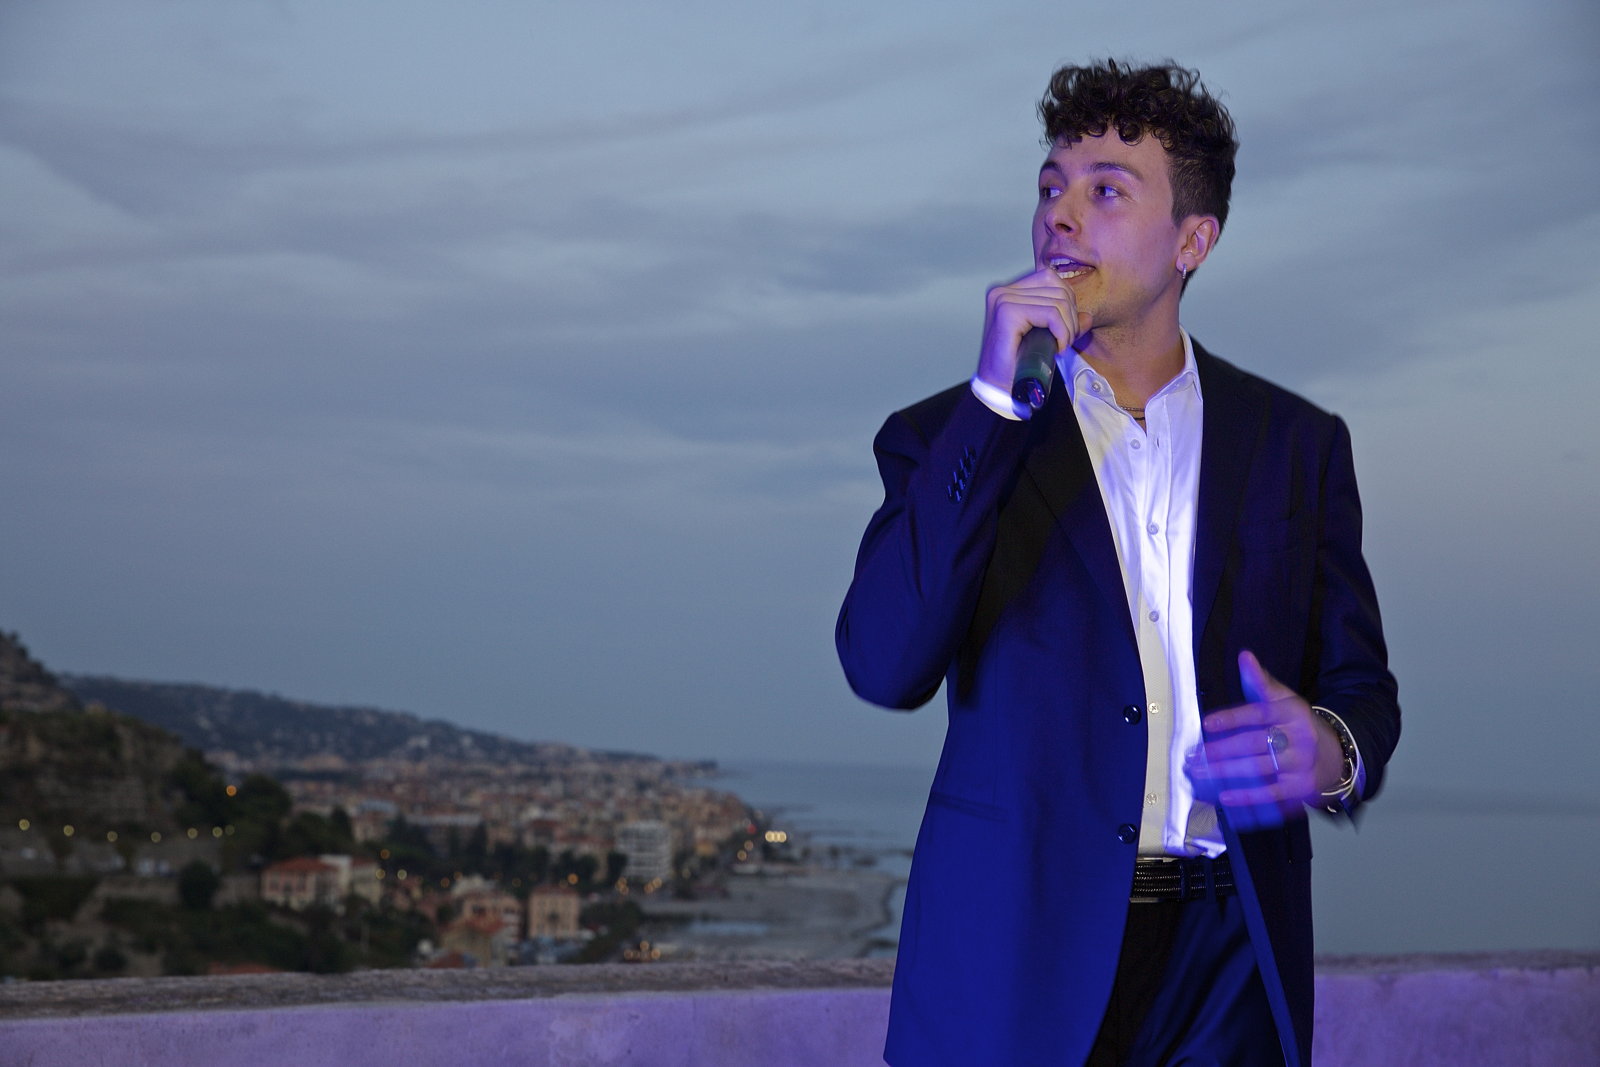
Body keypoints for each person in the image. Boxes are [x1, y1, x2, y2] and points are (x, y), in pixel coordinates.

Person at [835, 60, 1400, 1066]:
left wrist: (1326, 749)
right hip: (1020, 956)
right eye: (1050, 185)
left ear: (1193, 240)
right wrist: (996, 404)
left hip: (1231, 957)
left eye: (1105, 189)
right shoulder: (949, 438)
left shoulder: (1295, 443)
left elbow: (1360, 687)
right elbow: (883, 663)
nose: (1061, 214)